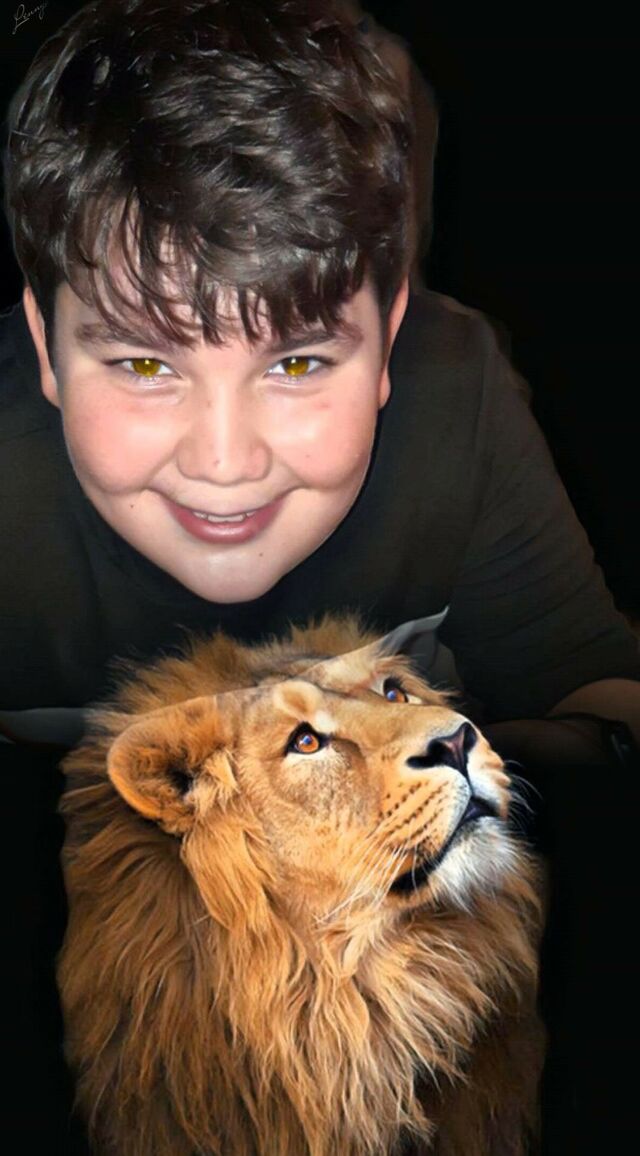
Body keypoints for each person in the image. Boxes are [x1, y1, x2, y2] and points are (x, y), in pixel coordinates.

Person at [0, 1, 638, 1152]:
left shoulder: (457, 400)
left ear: (387, 339)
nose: (224, 461)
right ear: (45, 350)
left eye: (296, 361)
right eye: (143, 361)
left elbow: (594, 681)